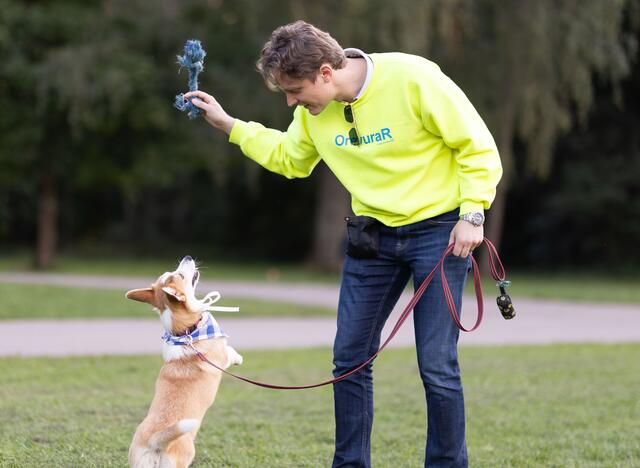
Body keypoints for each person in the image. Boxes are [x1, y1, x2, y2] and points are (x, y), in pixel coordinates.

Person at [184, 20, 502, 468]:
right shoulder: (313, 114)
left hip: (441, 233)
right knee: (349, 361)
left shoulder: (414, 78)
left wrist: (472, 213)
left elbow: (477, 147)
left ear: (327, 72)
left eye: (295, 90)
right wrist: (230, 124)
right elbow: (290, 160)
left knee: (436, 366)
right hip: (373, 238)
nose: (292, 102)